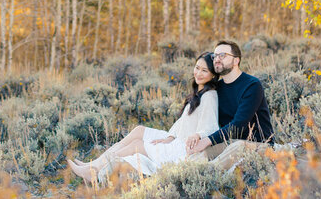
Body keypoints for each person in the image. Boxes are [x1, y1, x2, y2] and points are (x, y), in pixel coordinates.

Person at [67, 52, 220, 184]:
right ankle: (93, 164)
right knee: (139, 130)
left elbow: (211, 126)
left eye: (204, 71)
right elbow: (183, 122)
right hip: (177, 137)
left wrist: (198, 134)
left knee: (138, 144)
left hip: (183, 147)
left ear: (213, 75)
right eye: (197, 68)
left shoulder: (209, 96)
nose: (198, 73)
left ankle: (93, 171)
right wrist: (169, 137)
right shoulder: (199, 92)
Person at [186, 40, 274, 157]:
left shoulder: (252, 85)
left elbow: (238, 125)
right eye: (215, 56)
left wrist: (206, 141)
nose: (217, 59)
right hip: (230, 142)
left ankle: (210, 172)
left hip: (259, 144)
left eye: (222, 55)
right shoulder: (217, 88)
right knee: (198, 153)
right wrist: (198, 136)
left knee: (237, 148)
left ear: (236, 60)